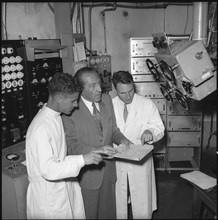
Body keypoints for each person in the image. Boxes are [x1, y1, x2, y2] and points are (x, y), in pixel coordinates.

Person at [25, 72, 106, 219]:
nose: (76, 105)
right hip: (48, 199)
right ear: (58, 98)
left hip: (61, 190)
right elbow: (48, 169)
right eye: (73, 101)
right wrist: (82, 160)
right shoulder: (41, 127)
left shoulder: (54, 117)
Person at [62, 67, 131, 219]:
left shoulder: (106, 100)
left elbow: (113, 130)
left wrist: (123, 140)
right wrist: (97, 149)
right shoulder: (70, 109)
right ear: (80, 89)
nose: (99, 89)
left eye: (99, 83)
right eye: (93, 85)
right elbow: (70, 145)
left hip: (108, 171)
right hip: (86, 176)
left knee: (109, 214)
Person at [112, 70, 165, 219]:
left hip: (140, 156)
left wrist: (150, 131)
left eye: (130, 91)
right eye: (123, 93)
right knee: (119, 198)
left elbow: (159, 128)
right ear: (115, 90)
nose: (128, 96)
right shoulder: (110, 105)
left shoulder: (146, 104)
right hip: (119, 157)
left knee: (141, 198)